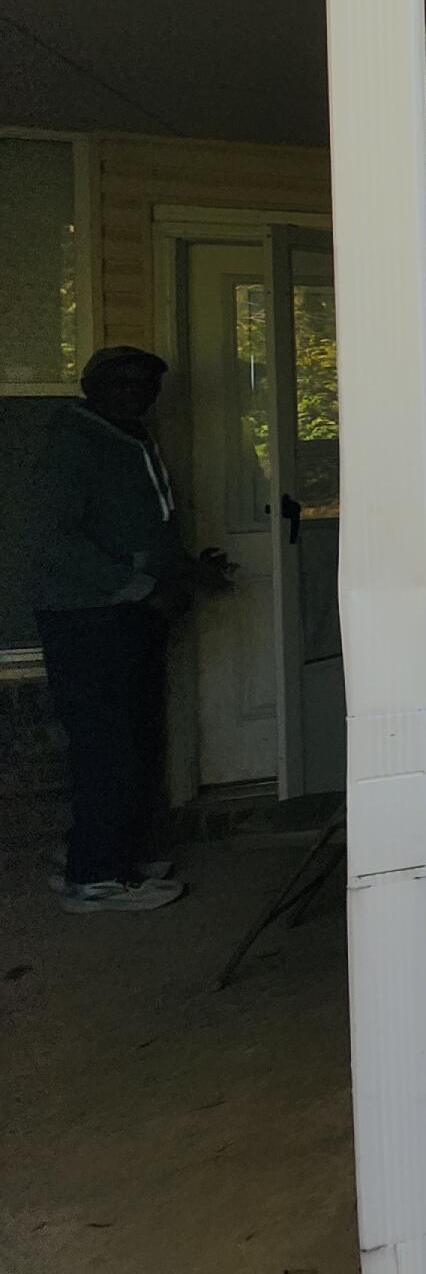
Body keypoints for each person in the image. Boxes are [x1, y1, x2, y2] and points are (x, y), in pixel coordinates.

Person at [30, 345, 229, 913]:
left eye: (145, 385)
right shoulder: (75, 442)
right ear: (90, 385)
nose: (133, 393)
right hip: (88, 616)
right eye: (118, 383)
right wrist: (146, 589)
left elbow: (140, 529)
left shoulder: (132, 437)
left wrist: (187, 571)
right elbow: (56, 540)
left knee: (132, 737)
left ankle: (103, 852)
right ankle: (96, 878)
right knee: (107, 743)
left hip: (128, 613)